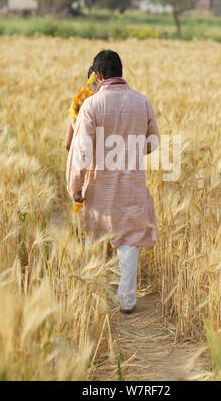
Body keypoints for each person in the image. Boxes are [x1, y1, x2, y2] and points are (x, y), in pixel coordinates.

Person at [66, 50, 159, 314]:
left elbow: (81, 152)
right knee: (129, 241)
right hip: (132, 184)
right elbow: (153, 142)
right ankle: (126, 300)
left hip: (99, 187)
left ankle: (93, 296)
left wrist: (76, 187)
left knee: (96, 239)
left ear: (99, 75)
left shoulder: (91, 106)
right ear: (120, 73)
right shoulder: (142, 102)